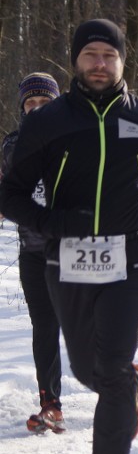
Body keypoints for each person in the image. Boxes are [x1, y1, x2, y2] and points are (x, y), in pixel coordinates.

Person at [0, 19, 138, 454]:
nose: (100, 63)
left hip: (132, 259)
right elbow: (9, 195)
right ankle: (124, 390)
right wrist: (56, 223)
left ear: (123, 61)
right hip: (67, 260)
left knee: (109, 371)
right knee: (90, 370)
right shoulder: (47, 121)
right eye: (91, 54)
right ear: (75, 60)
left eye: (109, 55)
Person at [0, 72, 65, 434]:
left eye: (45, 103)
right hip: (33, 251)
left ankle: (117, 386)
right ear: (23, 108)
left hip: (74, 251)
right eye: (31, 103)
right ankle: (50, 404)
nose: (38, 109)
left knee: (84, 326)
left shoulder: (76, 141)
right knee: (44, 327)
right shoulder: (12, 145)